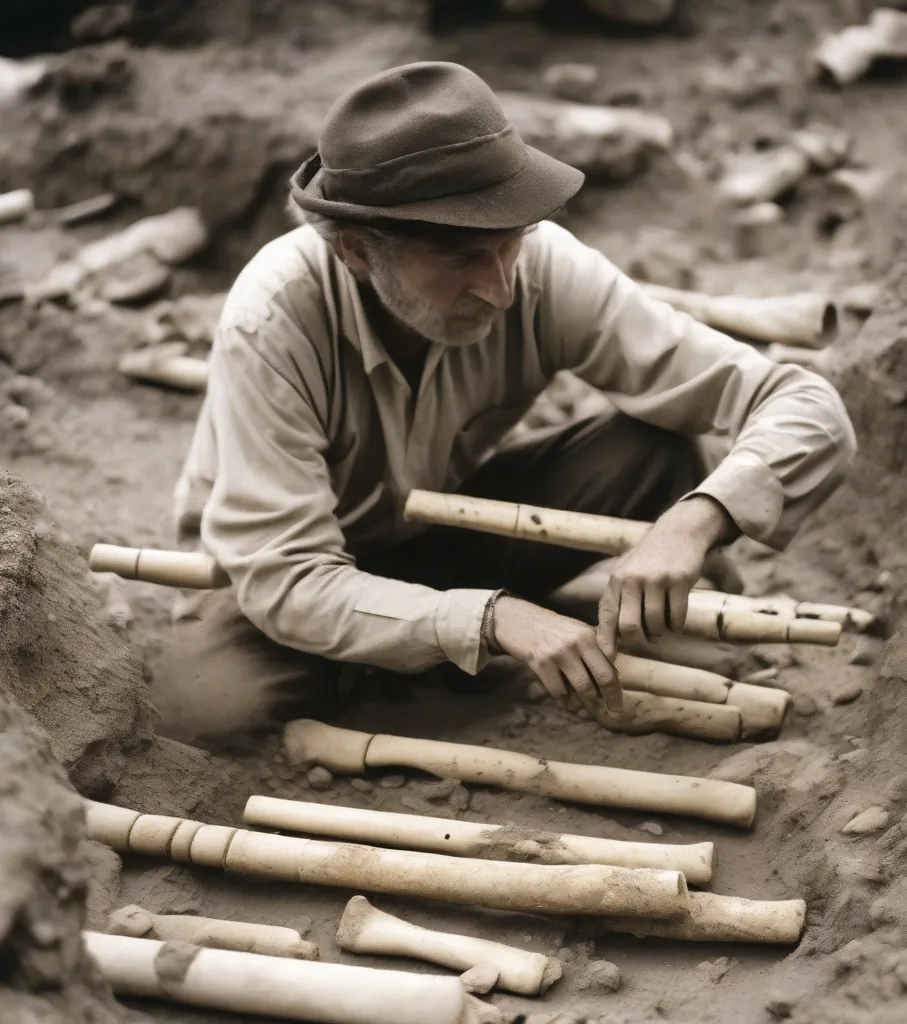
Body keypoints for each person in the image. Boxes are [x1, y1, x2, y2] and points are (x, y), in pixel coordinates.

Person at [157, 60, 856, 743]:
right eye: (458, 258)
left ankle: (428, 653)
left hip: (437, 547)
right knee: (206, 706)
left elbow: (801, 402)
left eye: (508, 244)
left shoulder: (542, 267)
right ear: (358, 253)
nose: (498, 287)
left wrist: (700, 519)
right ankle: (465, 646)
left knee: (653, 452)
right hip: (286, 586)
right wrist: (492, 622)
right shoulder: (273, 318)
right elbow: (287, 578)